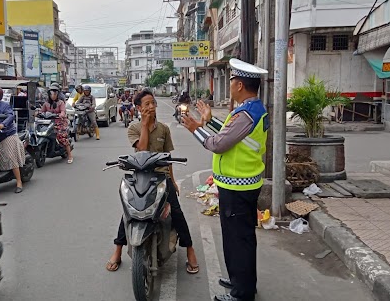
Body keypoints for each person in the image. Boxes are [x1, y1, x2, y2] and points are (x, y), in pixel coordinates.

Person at [181, 58, 269, 301]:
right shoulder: (249, 110)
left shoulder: (247, 113)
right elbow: (232, 134)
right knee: (237, 237)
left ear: (239, 85)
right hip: (240, 184)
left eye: (231, 81)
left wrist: (195, 129)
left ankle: (242, 293)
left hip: (239, 187)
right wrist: (208, 120)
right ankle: (240, 279)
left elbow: (219, 144)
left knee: (238, 239)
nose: (229, 85)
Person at [106, 89, 199, 274]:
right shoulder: (133, 128)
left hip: (161, 177)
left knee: (178, 212)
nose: (151, 107)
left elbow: (168, 157)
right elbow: (141, 148)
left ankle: (190, 250)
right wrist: (145, 125)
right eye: (146, 104)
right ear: (139, 108)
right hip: (140, 177)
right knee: (129, 212)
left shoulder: (164, 128)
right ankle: (117, 250)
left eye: (153, 103)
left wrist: (172, 180)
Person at [41, 84, 73, 164]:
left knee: (61, 136)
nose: (53, 96)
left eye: (55, 94)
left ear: (57, 94)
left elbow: (63, 111)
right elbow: (42, 111)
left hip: (60, 121)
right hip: (48, 122)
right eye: (52, 94)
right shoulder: (46, 103)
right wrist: (37, 113)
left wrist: (61, 115)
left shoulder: (61, 103)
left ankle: (70, 155)